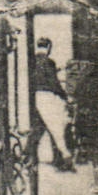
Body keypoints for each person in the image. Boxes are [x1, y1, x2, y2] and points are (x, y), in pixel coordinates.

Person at [30, 37, 75, 172]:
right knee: (57, 128)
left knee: (38, 128)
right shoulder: (49, 62)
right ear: (48, 47)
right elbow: (53, 83)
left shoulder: (32, 61)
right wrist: (65, 96)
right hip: (47, 97)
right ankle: (64, 158)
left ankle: (27, 157)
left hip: (34, 97)